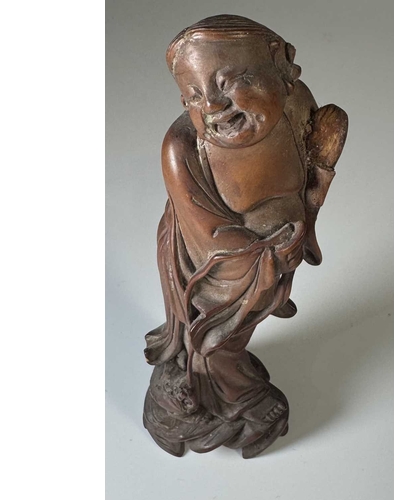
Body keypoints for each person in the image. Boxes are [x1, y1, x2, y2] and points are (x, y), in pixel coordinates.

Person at [143, 15, 348, 458]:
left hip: (273, 252)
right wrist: (266, 252)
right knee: (216, 337)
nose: (213, 107)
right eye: (194, 96)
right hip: (215, 266)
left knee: (242, 328)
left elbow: (311, 170)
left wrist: (307, 208)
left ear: (282, 67)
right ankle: (233, 397)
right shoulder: (182, 148)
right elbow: (209, 234)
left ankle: (220, 380)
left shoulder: (297, 103)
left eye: (230, 82)